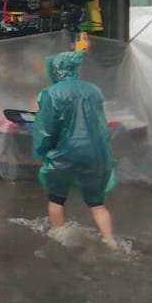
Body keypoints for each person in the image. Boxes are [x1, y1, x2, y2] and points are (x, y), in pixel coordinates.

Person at [31, 50, 118, 249]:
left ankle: (57, 240)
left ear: (56, 69)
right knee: (97, 203)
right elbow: (100, 122)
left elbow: (45, 128)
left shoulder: (52, 92)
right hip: (96, 153)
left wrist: (42, 150)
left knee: (56, 199)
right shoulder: (94, 90)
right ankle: (111, 242)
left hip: (64, 154)